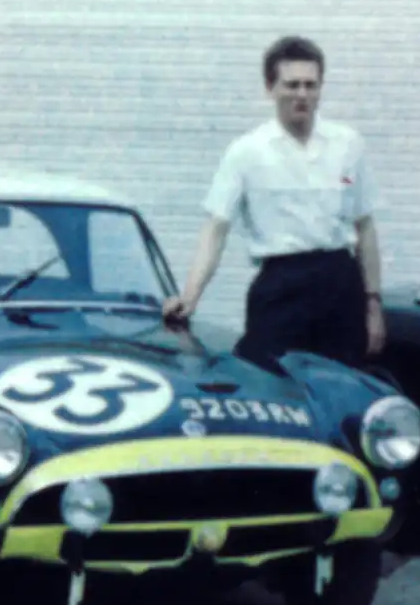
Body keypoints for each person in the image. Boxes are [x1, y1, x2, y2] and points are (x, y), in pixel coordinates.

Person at [162, 36, 385, 367]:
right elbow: (216, 230)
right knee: (272, 384)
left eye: (311, 85)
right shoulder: (247, 152)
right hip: (281, 287)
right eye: (291, 84)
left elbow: (364, 227)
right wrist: (190, 296)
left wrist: (373, 304)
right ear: (270, 87)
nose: (302, 95)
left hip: (340, 284)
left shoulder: (347, 145)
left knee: (343, 388)